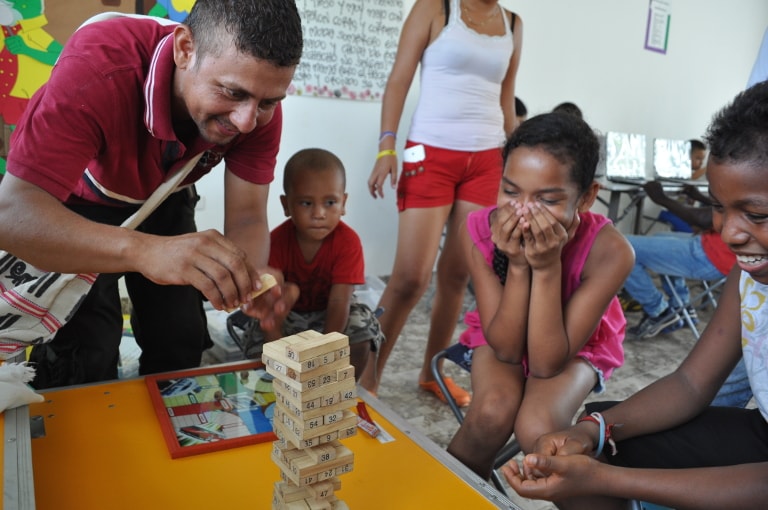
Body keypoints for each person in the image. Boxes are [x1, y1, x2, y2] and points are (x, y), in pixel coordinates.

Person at [0, 0, 302, 388]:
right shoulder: (97, 68)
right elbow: (12, 214)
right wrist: (142, 250)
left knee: (180, 339)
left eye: (268, 102)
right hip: (77, 205)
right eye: (231, 92)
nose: (246, 121)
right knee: (84, 353)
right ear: (184, 50)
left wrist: (249, 279)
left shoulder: (257, 108)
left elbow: (246, 217)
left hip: (165, 194)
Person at [502, 82, 768, 510]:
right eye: (719, 207)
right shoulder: (749, 277)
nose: (729, 233)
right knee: (601, 443)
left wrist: (609, 479)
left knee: (603, 474)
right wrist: (593, 429)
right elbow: (690, 382)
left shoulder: (610, 251)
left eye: (756, 214)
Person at [446, 112, 633, 479]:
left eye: (547, 199)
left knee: (539, 429)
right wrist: (517, 266)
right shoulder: (483, 231)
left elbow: (547, 363)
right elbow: (506, 349)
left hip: (576, 345)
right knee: (491, 411)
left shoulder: (610, 252)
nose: (523, 212)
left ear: (586, 197)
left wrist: (546, 269)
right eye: (511, 192)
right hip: (503, 331)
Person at [362, 0, 523, 404]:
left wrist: (521, 169)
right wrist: (386, 148)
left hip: (488, 160)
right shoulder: (436, 8)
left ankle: (431, 372)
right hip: (430, 154)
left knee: (456, 275)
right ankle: (367, 377)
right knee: (410, 279)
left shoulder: (514, 24)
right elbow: (399, 79)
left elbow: (507, 100)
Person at [228, 148, 384, 379]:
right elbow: (273, 306)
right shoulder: (276, 241)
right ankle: (267, 394)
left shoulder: (348, 242)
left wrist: (324, 354)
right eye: (305, 203)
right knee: (258, 346)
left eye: (330, 202)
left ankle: (348, 390)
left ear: (343, 203)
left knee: (362, 330)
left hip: (329, 316)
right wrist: (279, 354)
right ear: (286, 205)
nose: (319, 213)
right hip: (288, 316)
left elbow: (340, 301)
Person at [623, 180, 735, 340]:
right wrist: (700, 197)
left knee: (623, 247)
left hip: (709, 257)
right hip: (712, 248)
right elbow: (731, 209)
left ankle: (658, 310)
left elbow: (702, 219)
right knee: (660, 238)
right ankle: (681, 306)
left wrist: (661, 198)